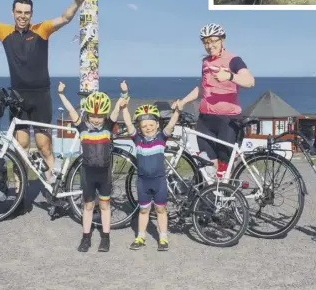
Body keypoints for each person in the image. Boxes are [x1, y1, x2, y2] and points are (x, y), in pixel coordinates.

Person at [0, 0, 85, 182]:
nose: (23, 16)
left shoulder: (42, 30)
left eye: (27, 12)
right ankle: (18, 194)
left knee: (44, 145)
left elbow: (65, 18)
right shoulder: (3, 31)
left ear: (31, 14)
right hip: (17, 98)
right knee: (19, 147)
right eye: (19, 12)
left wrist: (77, 2)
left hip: (41, 96)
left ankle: (53, 189)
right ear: (13, 13)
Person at [173, 23, 254, 177]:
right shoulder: (206, 63)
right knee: (208, 166)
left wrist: (229, 76)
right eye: (206, 42)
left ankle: (226, 199)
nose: (210, 46)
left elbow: (250, 81)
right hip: (205, 121)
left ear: (222, 40)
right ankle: (209, 199)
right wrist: (183, 101)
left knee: (224, 170)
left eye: (214, 41)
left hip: (227, 120)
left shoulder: (234, 60)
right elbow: (202, 88)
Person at [58, 82, 122, 252]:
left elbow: (116, 111)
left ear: (105, 116)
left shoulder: (108, 127)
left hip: (104, 173)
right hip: (87, 173)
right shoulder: (82, 127)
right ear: (87, 114)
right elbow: (72, 111)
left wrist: (123, 94)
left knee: (104, 205)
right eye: (93, 115)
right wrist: (61, 95)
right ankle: (86, 237)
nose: (96, 119)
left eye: (100, 116)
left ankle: (105, 237)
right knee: (88, 206)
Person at [119, 80, 181, 252]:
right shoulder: (137, 139)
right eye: (144, 126)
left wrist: (177, 110)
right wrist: (124, 106)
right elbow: (128, 124)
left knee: (161, 209)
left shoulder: (162, 137)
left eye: (151, 125)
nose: (147, 128)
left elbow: (171, 124)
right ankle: (141, 236)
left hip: (159, 181)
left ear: (157, 125)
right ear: (140, 127)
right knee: (144, 210)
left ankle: (163, 237)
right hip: (143, 182)